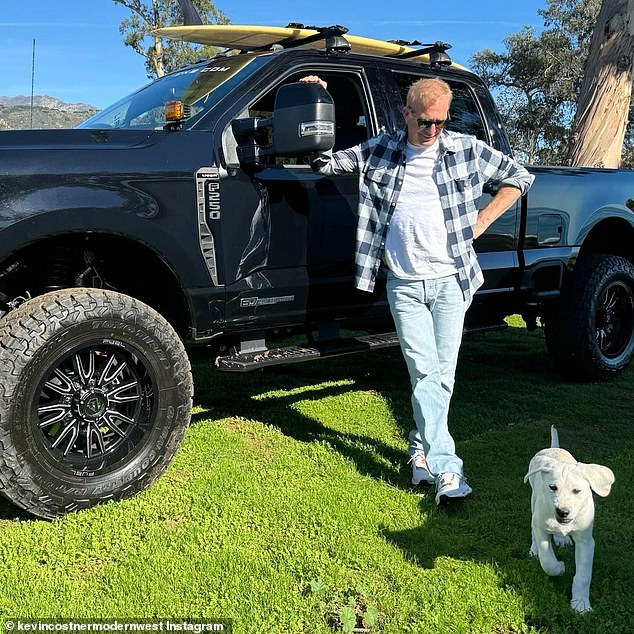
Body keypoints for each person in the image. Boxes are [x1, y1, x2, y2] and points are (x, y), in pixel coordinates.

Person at [301, 75, 534, 504]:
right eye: (425, 121)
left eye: (440, 123)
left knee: (440, 376)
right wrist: (319, 98)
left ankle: (419, 448)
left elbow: (520, 177)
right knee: (425, 373)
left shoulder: (465, 149)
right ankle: (449, 469)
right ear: (406, 114)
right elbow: (325, 164)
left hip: (454, 281)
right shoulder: (381, 150)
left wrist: (481, 221)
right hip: (405, 284)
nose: (432, 130)